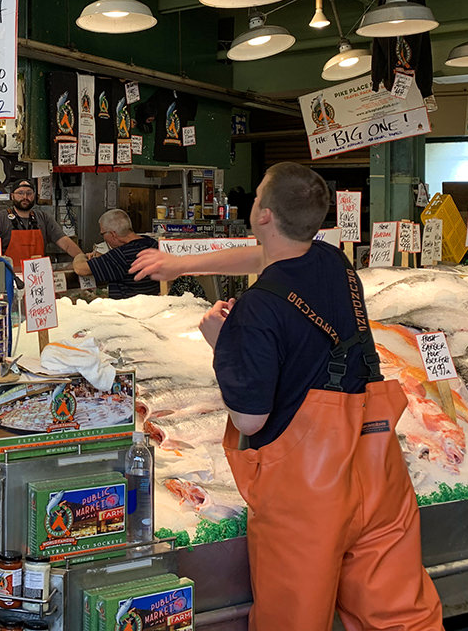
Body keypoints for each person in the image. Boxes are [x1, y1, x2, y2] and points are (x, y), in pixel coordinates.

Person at [133, 163, 441, 631]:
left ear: (263, 215)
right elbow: (263, 259)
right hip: (377, 467)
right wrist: (179, 264)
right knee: (401, 617)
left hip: (309, 493)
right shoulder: (331, 261)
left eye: (256, 194)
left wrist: (225, 344)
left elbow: (251, 419)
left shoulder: (257, 309)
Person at [71, 209, 160, 299]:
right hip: (152, 306)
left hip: (127, 310)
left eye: (103, 234)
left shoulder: (121, 255)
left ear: (113, 234)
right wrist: (103, 258)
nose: (104, 238)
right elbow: (123, 265)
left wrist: (82, 255)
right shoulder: (152, 243)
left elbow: (80, 268)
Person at [0, 178, 82, 271]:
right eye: (20, 193)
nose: (25, 197)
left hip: (39, 278)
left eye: (29, 193)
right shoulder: (1, 218)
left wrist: (82, 259)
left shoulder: (43, 218)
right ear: (12, 196)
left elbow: (65, 242)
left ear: (34, 196)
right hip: (11, 276)